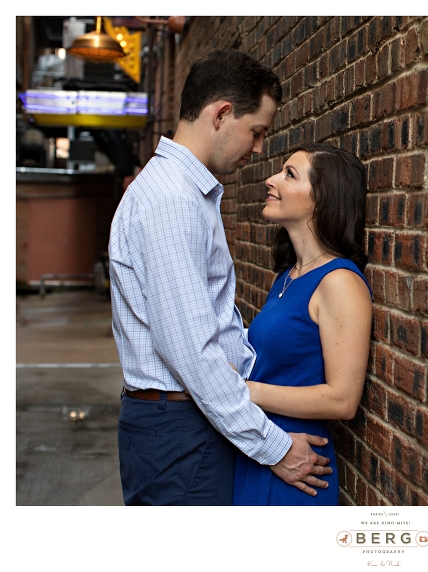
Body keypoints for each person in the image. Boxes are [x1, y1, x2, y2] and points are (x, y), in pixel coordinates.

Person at [109, 49, 331, 505]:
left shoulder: (181, 192)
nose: (258, 149)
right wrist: (276, 449)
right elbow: (192, 352)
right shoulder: (173, 201)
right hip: (181, 430)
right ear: (221, 114)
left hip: (181, 424)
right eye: (256, 132)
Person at [232, 143, 373, 505]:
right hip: (261, 449)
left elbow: (343, 400)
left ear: (322, 199)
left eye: (289, 175)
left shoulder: (339, 282)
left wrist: (243, 391)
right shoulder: (288, 277)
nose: (271, 179)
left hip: (299, 464)